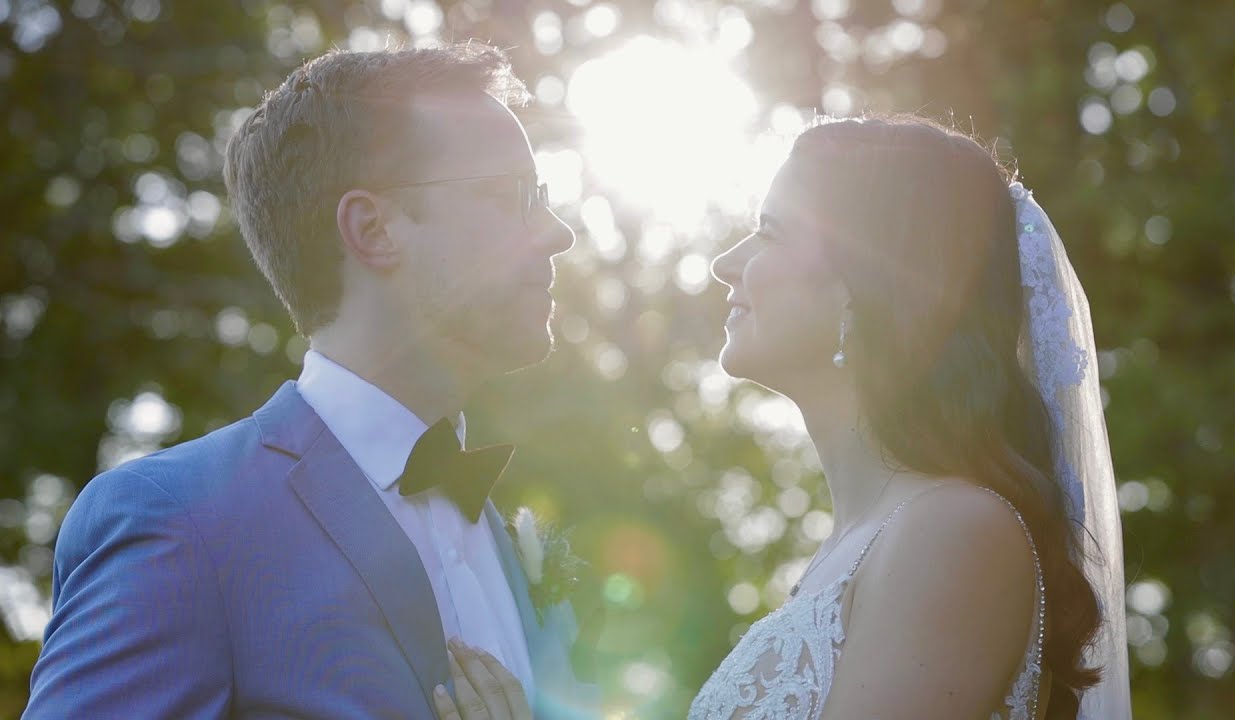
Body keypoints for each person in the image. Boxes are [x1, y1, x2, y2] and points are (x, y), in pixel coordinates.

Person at [440, 113, 1131, 719]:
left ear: (867, 282)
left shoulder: (957, 532)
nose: (724, 263)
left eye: (768, 233)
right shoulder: (853, 550)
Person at [25, 43, 596, 719]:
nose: (557, 234)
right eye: (513, 198)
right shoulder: (182, 524)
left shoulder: (505, 538)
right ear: (374, 228)